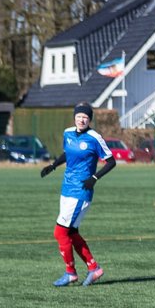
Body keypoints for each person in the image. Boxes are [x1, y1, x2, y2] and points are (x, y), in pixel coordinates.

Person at [40, 102, 116, 286]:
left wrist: (94, 178)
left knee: (60, 232)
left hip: (81, 191)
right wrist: (53, 165)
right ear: (74, 117)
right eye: (79, 116)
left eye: (85, 117)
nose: (82, 119)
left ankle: (70, 273)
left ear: (89, 119)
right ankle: (94, 268)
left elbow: (111, 162)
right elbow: (68, 153)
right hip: (66, 189)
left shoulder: (94, 137)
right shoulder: (68, 133)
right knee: (71, 232)